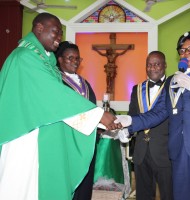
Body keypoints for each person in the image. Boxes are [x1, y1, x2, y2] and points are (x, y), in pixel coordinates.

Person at [0, 13, 120, 200]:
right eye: (55, 32)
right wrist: (96, 115)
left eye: (61, 34)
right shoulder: (25, 57)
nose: (59, 39)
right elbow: (53, 95)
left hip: (38, 133)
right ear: (39, 28)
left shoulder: (41, 60)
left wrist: (97, 118)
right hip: (25, 136)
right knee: (23, 186)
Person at [116, 31, 190, 200]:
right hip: (179, 151)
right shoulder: (172, 80)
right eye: (182, 51)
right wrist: (130, 121)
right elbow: (159, 112)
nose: (186, 54)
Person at [55, 41, 98, 200]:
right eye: (70, 58)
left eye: (77, 58)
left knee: (85, 185)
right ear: (60, 60)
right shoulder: (56, 81)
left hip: (86, 141)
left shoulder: (84, 83)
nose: (75, 61)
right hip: (67, 141)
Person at [127, 51, 173, 200]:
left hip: (165, 152)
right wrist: (125, 130)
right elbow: (132, 116)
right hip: (141, 152)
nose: (153, 68)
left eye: (157, 64)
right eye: (149, 64)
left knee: (169, 195)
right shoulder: (137, 89)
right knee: (143, 196)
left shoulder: (173, 88)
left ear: (165, 65)